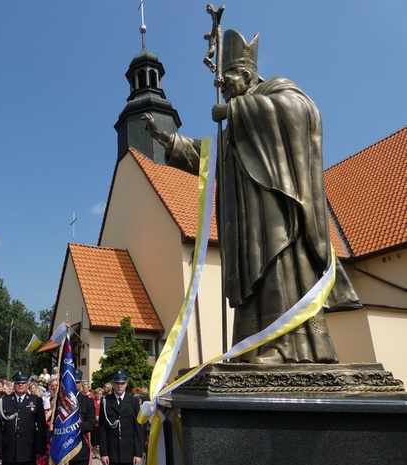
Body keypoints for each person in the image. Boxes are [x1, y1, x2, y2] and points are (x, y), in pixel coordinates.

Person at [143, 29, 361, 364]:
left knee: (279, 273)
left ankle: (290, 349)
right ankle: (253, 346)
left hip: (277, 214)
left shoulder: (277, 90)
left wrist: (239, 109)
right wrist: (169, 140)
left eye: (227, 79)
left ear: (246, 74)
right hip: (246, 224)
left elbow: (303, 112)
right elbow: (211, 160)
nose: (223, 86)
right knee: (255, 286)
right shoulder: (235, 124)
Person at [99, 370, 143, 465]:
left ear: (126, 384)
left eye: (122, 383)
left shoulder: (133, 402)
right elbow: (103, 429)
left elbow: (138, 430)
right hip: (112, 454)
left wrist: (138, 453)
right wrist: (103, 452)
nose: (119, 386)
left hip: (129, 454)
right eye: (117, 383)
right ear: (112, 384)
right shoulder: (106, 401)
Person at [53, 371, 95, 465]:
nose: (75, 385)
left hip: (80, 451)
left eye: (77, 382)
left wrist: (73, 429)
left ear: (80, 384)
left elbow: (91, 424)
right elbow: (53, 424)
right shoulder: (59, 402)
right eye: (73, 382)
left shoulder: (87, 401)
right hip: (63, 451)